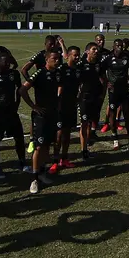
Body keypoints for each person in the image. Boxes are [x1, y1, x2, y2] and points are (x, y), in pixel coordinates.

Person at [18, 50, 62, 193]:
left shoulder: (57, 73)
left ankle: (42, 172)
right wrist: (33, 106)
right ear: (47, 60)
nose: (57, 61)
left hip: (53, 114)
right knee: (38, 146)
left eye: (58, 58)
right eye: (54, 58)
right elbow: (22, 90)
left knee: (47, 144)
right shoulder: (40, 73)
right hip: (41, 116)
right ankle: (34, 179)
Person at [21, 36, 62, 153]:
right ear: (45, 44)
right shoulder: (40, 55)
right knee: (38, 114)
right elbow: (24, 69)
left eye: (54, 44)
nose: (52, 46)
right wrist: (33, 83)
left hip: (52, 89)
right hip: (42, 87)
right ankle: (32, 140)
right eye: (50, 44)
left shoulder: (57, 55)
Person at [49, 46, 82, 174]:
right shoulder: (61, 69)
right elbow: (58, 87)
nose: (77, 57)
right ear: (68, 55)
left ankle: (64, 158)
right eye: (75, 55)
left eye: (78, 55)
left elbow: (80, 84)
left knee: (67, 133)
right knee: (58, 135)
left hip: (72, 105)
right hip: (61, 106)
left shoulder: (78, 69)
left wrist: (78, 97)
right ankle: (55, 162)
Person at [100, 39, 129, 153]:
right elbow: (99, 71)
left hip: (124, 90)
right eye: (117, 46)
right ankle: (115, 138)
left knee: (127, 115)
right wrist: (106, 82)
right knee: (112, 114)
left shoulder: (127, 56)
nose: (120, 48)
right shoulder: (108, 57)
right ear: (113, 46)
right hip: (113, 92)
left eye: (121, 46)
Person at [79, 42, 105, 160]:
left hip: (95, 98)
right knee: (84, 124)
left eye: (97, 50)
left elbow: (103, 79)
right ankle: (83, 151)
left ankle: (87, 147)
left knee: (90, 122)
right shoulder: (81, 64)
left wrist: (102, 94)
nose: (96, 51)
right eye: (94, 49)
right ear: (87, 51)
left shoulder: (98, 64)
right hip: (84, 98)